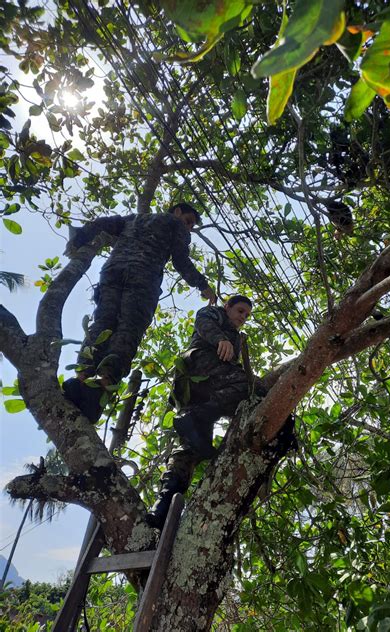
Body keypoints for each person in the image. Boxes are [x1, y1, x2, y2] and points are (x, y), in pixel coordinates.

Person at [63, 203, 216, 422]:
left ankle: (81, 378)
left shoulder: (135, 218)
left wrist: (78, 240)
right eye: (189, 220)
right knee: (128, 329)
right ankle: (102, 384)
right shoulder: (175, 224)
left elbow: (102, 223)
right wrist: (203, 285)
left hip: (112, 271)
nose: (189, 227)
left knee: (102, 322)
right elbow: (181, 260)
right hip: (143, 277)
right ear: (178, 212)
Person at [146, 295, 265, 530]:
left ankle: (161, 509)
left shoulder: (237, 338)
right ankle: (197, 416)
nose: (243, 318)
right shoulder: (213, 315)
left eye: (247, 316)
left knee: (189, 452)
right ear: (227, 306)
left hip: (205, 394)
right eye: (240, 311)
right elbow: (203, 324)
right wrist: (222, 339)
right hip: (197, 370)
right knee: (255, 388)